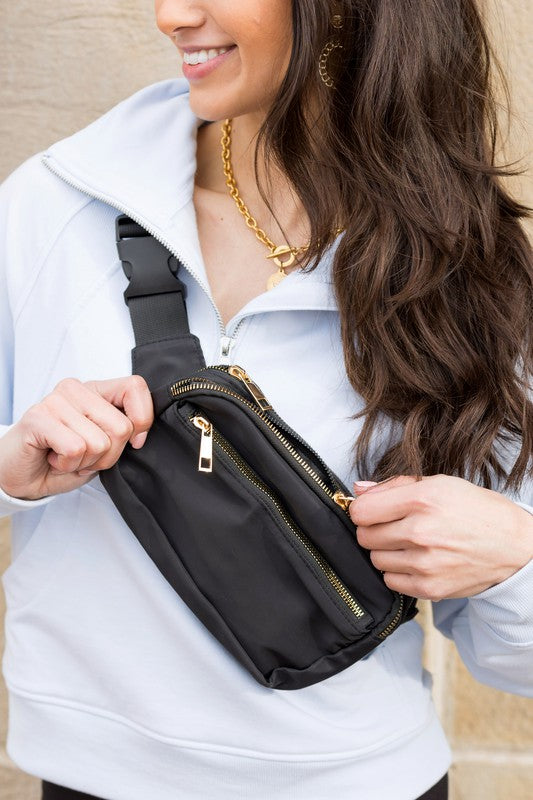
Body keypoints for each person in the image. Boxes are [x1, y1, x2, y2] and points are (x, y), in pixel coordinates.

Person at [0, 1, 532, 799]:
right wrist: (10, 463)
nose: (170, 15)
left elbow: (512, 661)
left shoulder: (465, 270)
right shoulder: (55, 202)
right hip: (87, 779)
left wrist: (515, 560)